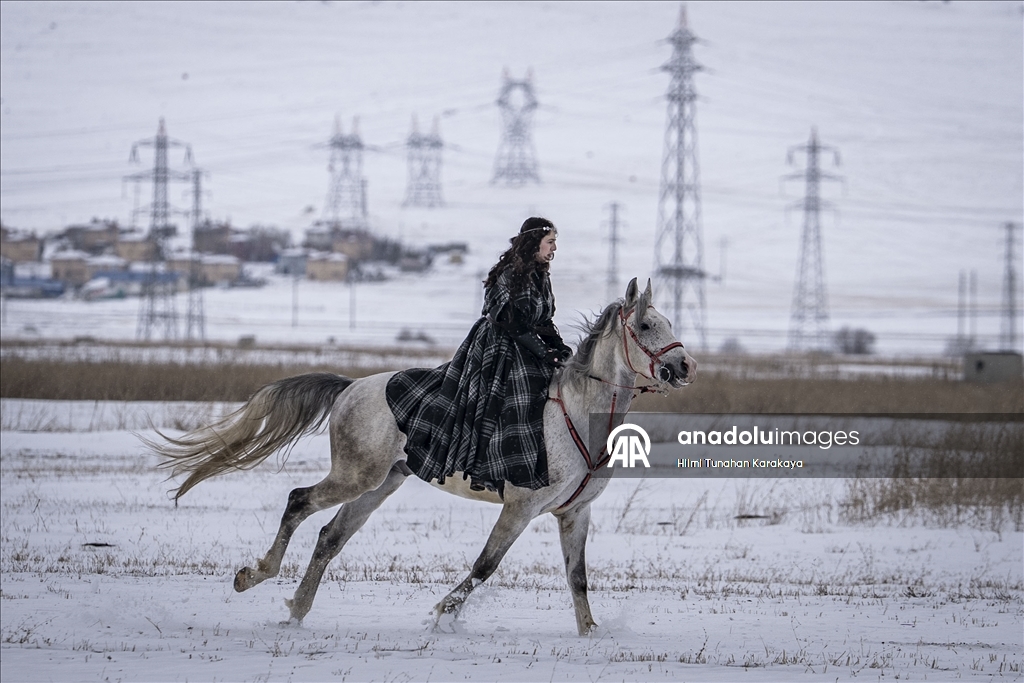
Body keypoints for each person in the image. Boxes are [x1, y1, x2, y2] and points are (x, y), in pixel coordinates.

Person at [385, 217, 572, 495]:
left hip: (527, 345)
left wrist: (559, 348)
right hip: (499, 345)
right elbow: (512, 321)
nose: (554, 248)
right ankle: (490, 466)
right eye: (551, 242)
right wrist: (543, 351)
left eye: (555, 242)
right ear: (534, 243)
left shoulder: (541, 275)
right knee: (512, 396)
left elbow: (544, 320)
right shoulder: (511, 274)